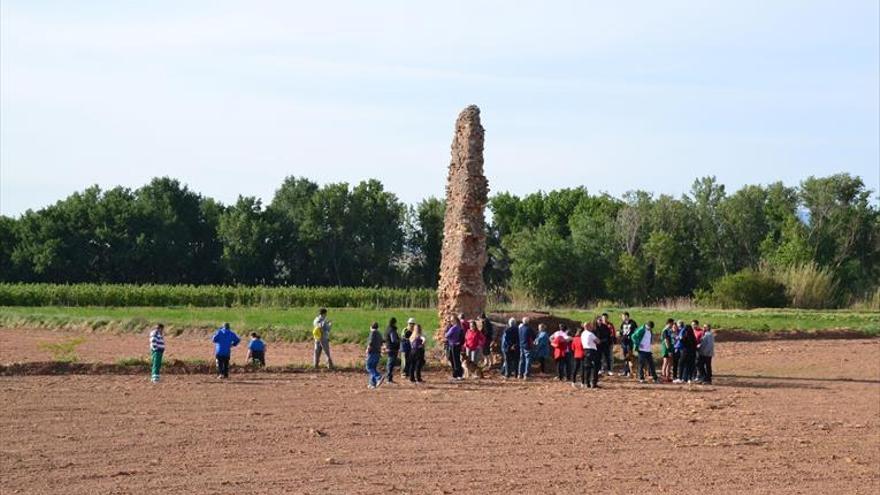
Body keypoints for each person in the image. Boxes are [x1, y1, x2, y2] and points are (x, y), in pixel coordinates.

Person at [581, 320, 600, 389]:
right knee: (595, 367)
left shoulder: (582, 334)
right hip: (592, 351)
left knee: (587, 367)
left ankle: (587, 383)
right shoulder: (590, 334)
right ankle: (593, 383)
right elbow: (598, 341)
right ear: (588, 326)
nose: (592, 327)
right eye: (590, 326)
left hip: (585, 350)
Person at [444, 316, 464, 380]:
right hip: (455, 345)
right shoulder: (459, 327)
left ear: (455, 320)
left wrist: (447, 334)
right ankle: (458, 374)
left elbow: (447, 335)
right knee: (455, 359)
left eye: (452, 320)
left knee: (454, 360)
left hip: (453, 345)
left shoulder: (454, 328)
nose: (451, 321)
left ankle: (457, 375)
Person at [619, 312, 638, 377]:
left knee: (629, 357)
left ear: (626, 316)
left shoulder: (633, 323)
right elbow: (621, 331)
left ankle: (630, 372)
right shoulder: (623, 324)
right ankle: (626, 371)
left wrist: (632, 337)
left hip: (630, 342)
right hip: (624, 342)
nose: (622, 318)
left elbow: (636, 331)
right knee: (625, 357)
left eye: (623, 316)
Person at [366, 322, 384, 389]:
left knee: (368, 367)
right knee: (373, 368)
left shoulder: (372, 333)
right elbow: (382, 342)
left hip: (372, 352)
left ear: (371, 327)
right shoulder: (379, 333)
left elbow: (370, 342)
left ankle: (378, 377)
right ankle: (372, 384)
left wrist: (367, 349)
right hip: (378, 353)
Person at [384, 317, 400, 383]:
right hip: (392, 349)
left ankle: (389, 378)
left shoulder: (387, 329)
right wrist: (400, 340)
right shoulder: (392, 330)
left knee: (390, 363)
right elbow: (394, 340)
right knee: (390, 364)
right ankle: (389, 379)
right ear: (394, 323)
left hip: (389, 348)